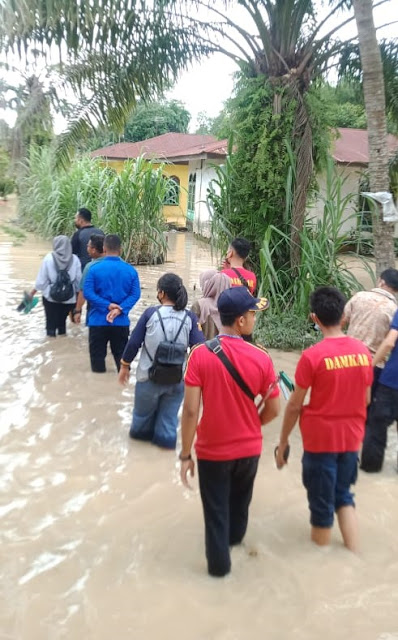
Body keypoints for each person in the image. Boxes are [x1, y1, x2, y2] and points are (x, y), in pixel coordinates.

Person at [180, 286, 280, 577]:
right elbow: (274, 409)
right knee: (240, 503)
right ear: (240, 321)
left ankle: (219, 575)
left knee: (215, 515)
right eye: (252, 313)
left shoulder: (199, 355)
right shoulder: (262, 358)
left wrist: (186, 454)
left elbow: (189, 411)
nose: (254, 318)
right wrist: (251, 425)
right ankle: (236, 545)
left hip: (213, 451)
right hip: (249, 450)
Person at [276, 287, 373, 553]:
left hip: (321, 443)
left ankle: (321, 570)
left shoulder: (312, 357)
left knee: (321, 510)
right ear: (344, 316)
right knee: (344, 497)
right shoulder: (363, 353)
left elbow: (294, 405)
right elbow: (365, 400)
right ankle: (356, 557)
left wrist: (283, 442)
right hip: (351, 440)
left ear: (314, 318)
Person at [118, 273, 204, 450]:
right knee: (168, 423)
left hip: (148, 379)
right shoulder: (190, 318)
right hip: (176, 382)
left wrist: (125, 366)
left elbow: (133, 343)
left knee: (141, 422)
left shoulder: (151, 314)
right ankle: (164, 465)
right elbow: (200, 348)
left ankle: (138, 462)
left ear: (162, 293)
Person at [83, 234, 140, 373]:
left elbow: (88, 293)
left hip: (97, 321)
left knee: (97, 364)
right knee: (122, 363)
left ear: (104, 248)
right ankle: (122, 391)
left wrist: (106, 305)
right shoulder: (130, 271)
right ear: (120, 249)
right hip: (120, 322)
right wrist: (120, 309)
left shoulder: (94, 269)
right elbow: (135, 294)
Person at [344, 269, 398, 394]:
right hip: (374, 365)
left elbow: (341, 322)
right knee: (365, 408)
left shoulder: (359, 296)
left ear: (381, 282)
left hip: (347, 359)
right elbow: (390, 342)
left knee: (342, 402)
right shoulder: (394, 310)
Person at [360, 308, 398, 472]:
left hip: (392, 381)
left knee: (376, 424)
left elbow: (389, 342)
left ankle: (370, 468)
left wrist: (371, 365)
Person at [29, 235, 81, 337]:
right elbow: (78, 283)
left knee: (50, 324)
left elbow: (41, 281)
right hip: (68, 299)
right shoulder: (75, 259)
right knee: (62, 324)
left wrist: (32, 293)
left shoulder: (48, 258)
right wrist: (78, 304)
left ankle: (52, 347)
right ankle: (63, 346)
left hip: (50, 299)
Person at [72, 234, 105, 324]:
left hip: (95, 312)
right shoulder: (120, 264)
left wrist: (78, 310)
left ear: (94, 250)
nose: (87, 249)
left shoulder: (90, 267)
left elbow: (83, 291)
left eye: (88, 246)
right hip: (116, 312)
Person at [191, 269, 230, 340]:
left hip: (203, 349)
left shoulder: (199, 305)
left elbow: (192, 333)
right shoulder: (234, 307)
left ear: (210, 284)